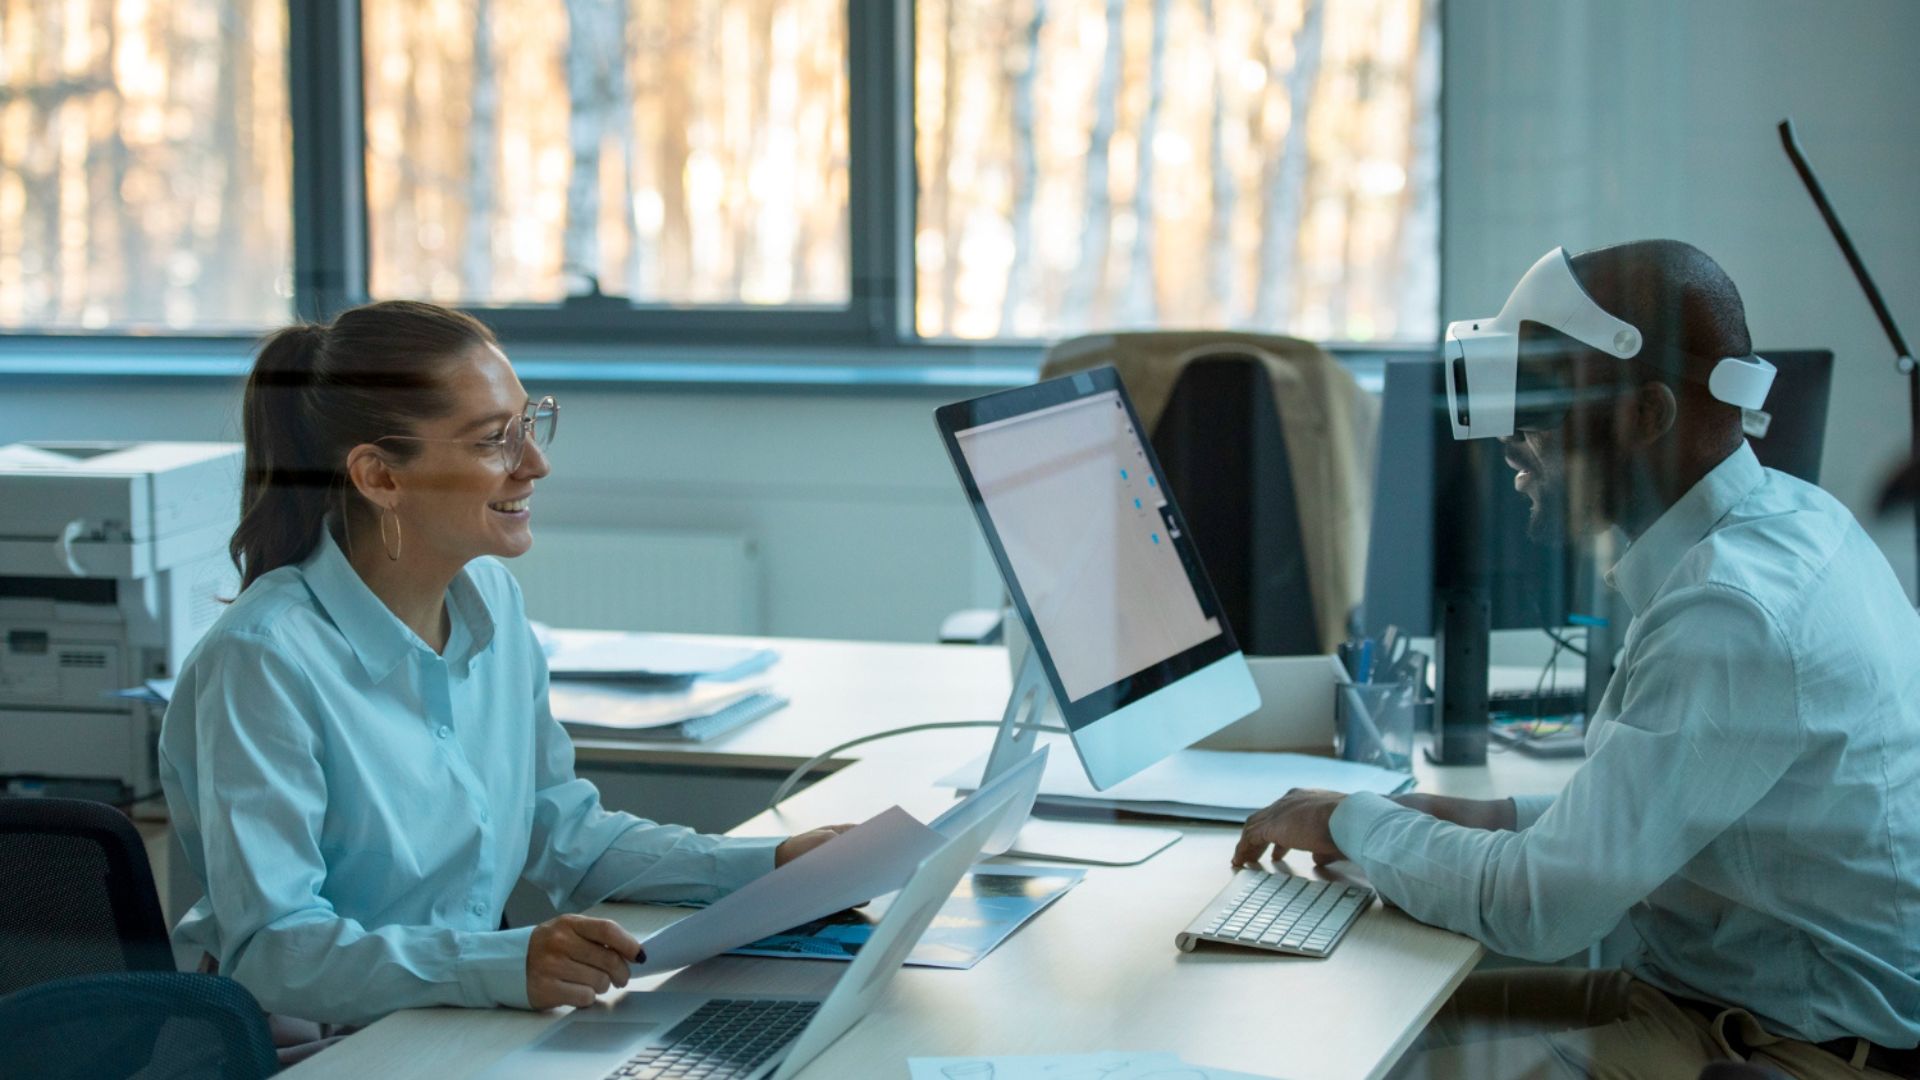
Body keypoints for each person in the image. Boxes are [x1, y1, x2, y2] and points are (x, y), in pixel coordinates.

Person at [1235, 241, 1920, 1078]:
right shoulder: (1782, 528)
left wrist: (1351, 821)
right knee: (1343, 1034)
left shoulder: (1730, 612)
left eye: (1541, 398)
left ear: (1647, 416)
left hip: (1780, 1048)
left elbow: (1540, 909)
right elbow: (1650, 813)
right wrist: (1483, 816)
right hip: (1706, 1004)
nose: (1514, 439)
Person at [159, 301, 848, 1059]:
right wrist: (506, 964)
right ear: (379, 476)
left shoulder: (491, 604)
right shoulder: (263, 660)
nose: (535, 463)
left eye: (529, 423)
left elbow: (565, 834)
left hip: (457, 1021)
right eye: (494, 440)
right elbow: (275, 950)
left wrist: (772, 869)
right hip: (316, 1051)